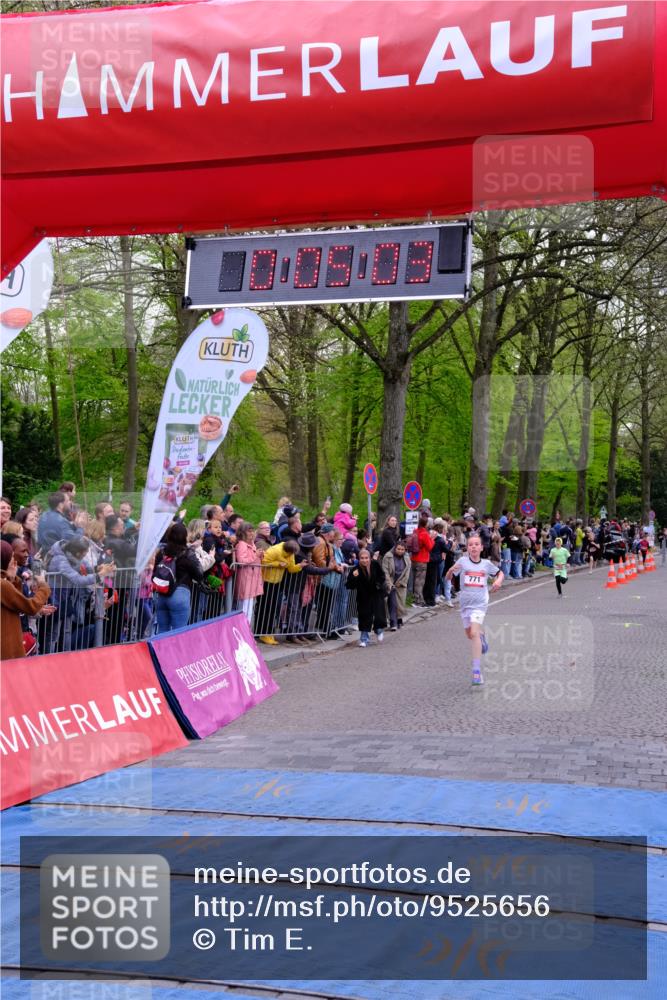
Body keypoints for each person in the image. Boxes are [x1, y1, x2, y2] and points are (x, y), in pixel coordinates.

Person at [444, 532, 503, 688]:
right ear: (467, 548)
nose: (474, 547)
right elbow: (447, 578)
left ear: (481, 547)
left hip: (480, 604)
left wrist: (498, 581)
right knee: (471, 634)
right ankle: (482, 637)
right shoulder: (462, 561)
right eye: (470, 545)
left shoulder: (486, 564)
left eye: (476, 544)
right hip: (465, 604)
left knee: (474, 633)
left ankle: (476, 670)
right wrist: (450, 571)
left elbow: (500, 573)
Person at [1, 540, 52, 659]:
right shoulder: (2, 585)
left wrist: (13, 579)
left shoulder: (4, 584)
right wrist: (44, 587)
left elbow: (15, 604)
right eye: (11, 557)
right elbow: (30, 607)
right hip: (7, 652)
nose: (14, 561)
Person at [153, 521, 204, 633]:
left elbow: (155, 572)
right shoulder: (187, 554)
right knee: (179, 633)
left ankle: (161, 651)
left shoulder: (162, 552)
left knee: (162, 631)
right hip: (180, 594)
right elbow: (199, 573)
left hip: (162, 594)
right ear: (185, 536)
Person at [255, 538, 302, 644]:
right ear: (288, 551)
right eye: (291, 554)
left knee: (273, 609)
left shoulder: (290, 553)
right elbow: (263, 562)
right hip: (267, 582)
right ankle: (263, 633)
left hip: (277, 583)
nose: (291, 556)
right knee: (265, 608)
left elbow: (290, 568)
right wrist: (277, 564)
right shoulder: (275, 550)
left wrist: (300, 566)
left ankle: (267, 633)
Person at [345, 547, 387, 647]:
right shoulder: (356, 569)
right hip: (364, 597)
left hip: (376, 594)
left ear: (370, 558)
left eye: (366, 558)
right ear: (359, 559)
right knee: (364, 617)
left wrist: (378, 584)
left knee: (378, 615)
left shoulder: (375, 564)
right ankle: (364, 639)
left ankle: (379, 630)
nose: (364, 560)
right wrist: (354, 577)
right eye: (362, 558)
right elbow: (349, 585)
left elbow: (382, 576)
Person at [233, 522, 263, 626]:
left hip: (252, 579)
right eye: (249, 531)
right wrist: (256, 555)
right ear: (243, 533)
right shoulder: (241, 544)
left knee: (249, 607)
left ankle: (246, 630)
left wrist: (260, 556)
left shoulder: (252, 544)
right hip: (246, 579)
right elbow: (241, 561)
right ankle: (243, 630)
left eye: (252, 530)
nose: (251, 533)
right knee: (244, 608)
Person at [382, 540, 410, 631]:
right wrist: (389, 583)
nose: (401, 551)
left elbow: (407, 572)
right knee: (392, 602)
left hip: (401, 582)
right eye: (399, 549)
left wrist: (402, 582)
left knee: (400, 603)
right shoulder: (388, 556)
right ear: (395, 548)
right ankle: (393, 622)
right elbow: (385, 571)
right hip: (390, 581)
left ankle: (399, 619)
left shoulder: (406, 557)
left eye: (403, 549)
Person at [410, 514, 434, 606]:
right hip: (422, 560)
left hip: (414, 558)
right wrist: (432, 539)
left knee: (415, 579)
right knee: (420, 581)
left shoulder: (415, 531)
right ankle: (419, 601)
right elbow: (430, 547)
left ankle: (415, 598)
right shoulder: (425, 534)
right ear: (426, 524)